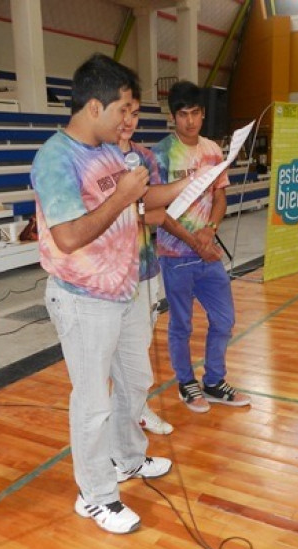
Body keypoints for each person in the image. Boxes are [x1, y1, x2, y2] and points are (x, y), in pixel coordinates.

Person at [32, 54, 183, 535]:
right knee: (93, 403)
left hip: (125, 291)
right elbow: (69, 237)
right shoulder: (56, 158)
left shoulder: (110, 152)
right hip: (82, 296)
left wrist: (191, 184)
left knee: (137, 383)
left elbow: (144, 199)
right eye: (123, 109)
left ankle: (128, 460)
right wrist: (122, 196)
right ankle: (95, 495)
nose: (127, 120)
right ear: (94, 106)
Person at [152, 80, 251, 413]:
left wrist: (210, 229)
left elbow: (219, 197)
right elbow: (157, 211)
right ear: (173, 117)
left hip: (207, 254)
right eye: (183, 114)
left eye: (195, 113)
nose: (190, 120)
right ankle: (186, 382)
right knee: (181, 324)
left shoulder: (212, 150)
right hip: (175, 255)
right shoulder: (161, 153)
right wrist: (195, 241)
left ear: (203, 114)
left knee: (224, 319)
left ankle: (213, 382)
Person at [115, 97, 174, 435]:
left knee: (139, 352)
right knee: (115, 359)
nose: (128, 120)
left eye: (135, 114)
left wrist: (133, 215)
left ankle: (139, 409)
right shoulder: (97, 158)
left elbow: (158, 213)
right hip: (109, 277)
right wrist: (135, 214)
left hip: (146, 269)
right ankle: (123, 421)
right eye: (122, 112)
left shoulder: (146, 157)